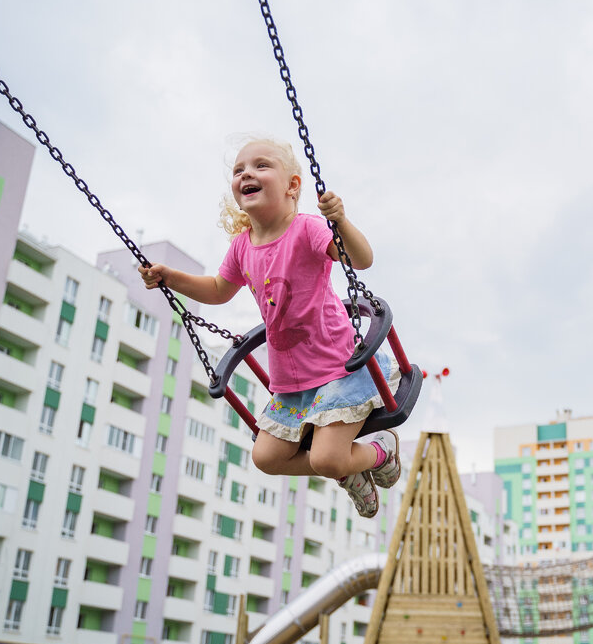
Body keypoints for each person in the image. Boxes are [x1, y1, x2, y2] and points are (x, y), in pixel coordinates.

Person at [140, 137, 400, 518]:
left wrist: (340, 220)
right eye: (238, 170)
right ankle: (350, 469)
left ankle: (377, 453)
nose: (247, 172)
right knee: (266, 457)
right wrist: (172, 278)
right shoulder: (242, 247)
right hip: (292, 385)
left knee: (327, 459)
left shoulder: (308, 229)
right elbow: (217, 290)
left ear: (292, 185)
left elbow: (361, 260)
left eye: (261, 165)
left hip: (339, 369)